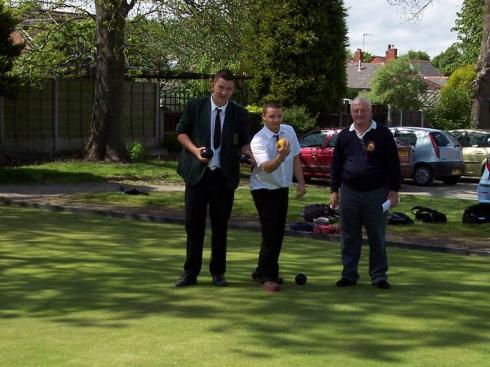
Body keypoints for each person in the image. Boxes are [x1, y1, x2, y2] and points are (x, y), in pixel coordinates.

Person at [174, 69, 252, 287]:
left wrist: (248, 155)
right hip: (197, 176)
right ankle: (190, 273)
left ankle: (218, 272)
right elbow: (181, 132)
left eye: (229, 89)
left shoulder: (239, 113)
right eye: (221, 87)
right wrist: (195, 150)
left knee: (220, 226)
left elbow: (244, 141)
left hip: (224, 177)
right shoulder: (195, 106)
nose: (224, 92)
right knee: (193, 226)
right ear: (212, 86)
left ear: (233, 90)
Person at [330, 97, 400, 289]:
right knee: (349, 236)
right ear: (351, 112)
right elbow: (336, 165)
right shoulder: (345, 135)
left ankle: (378, 276)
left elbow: (393, 164)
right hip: (349, 193)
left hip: (376, 193)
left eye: (363, 110)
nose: (359, 114)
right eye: (355, 111)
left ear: (370, 112)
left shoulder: (383, 134)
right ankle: (349, 274)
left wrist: (393, 191)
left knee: (377, 236)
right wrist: (334, 190)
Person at [249, 102, 306, 292]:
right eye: (272, 116)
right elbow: (266, 167)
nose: (276, 120)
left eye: (279, 116)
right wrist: (281, 156)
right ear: (264, 117)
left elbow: (296, 157)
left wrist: (301, 182)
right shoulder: (258, 140)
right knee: (270, 232)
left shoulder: (288, 131)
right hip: (263, 189)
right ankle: (269, 276)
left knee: (278, 232)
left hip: (282, 188)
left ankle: (260, 271)